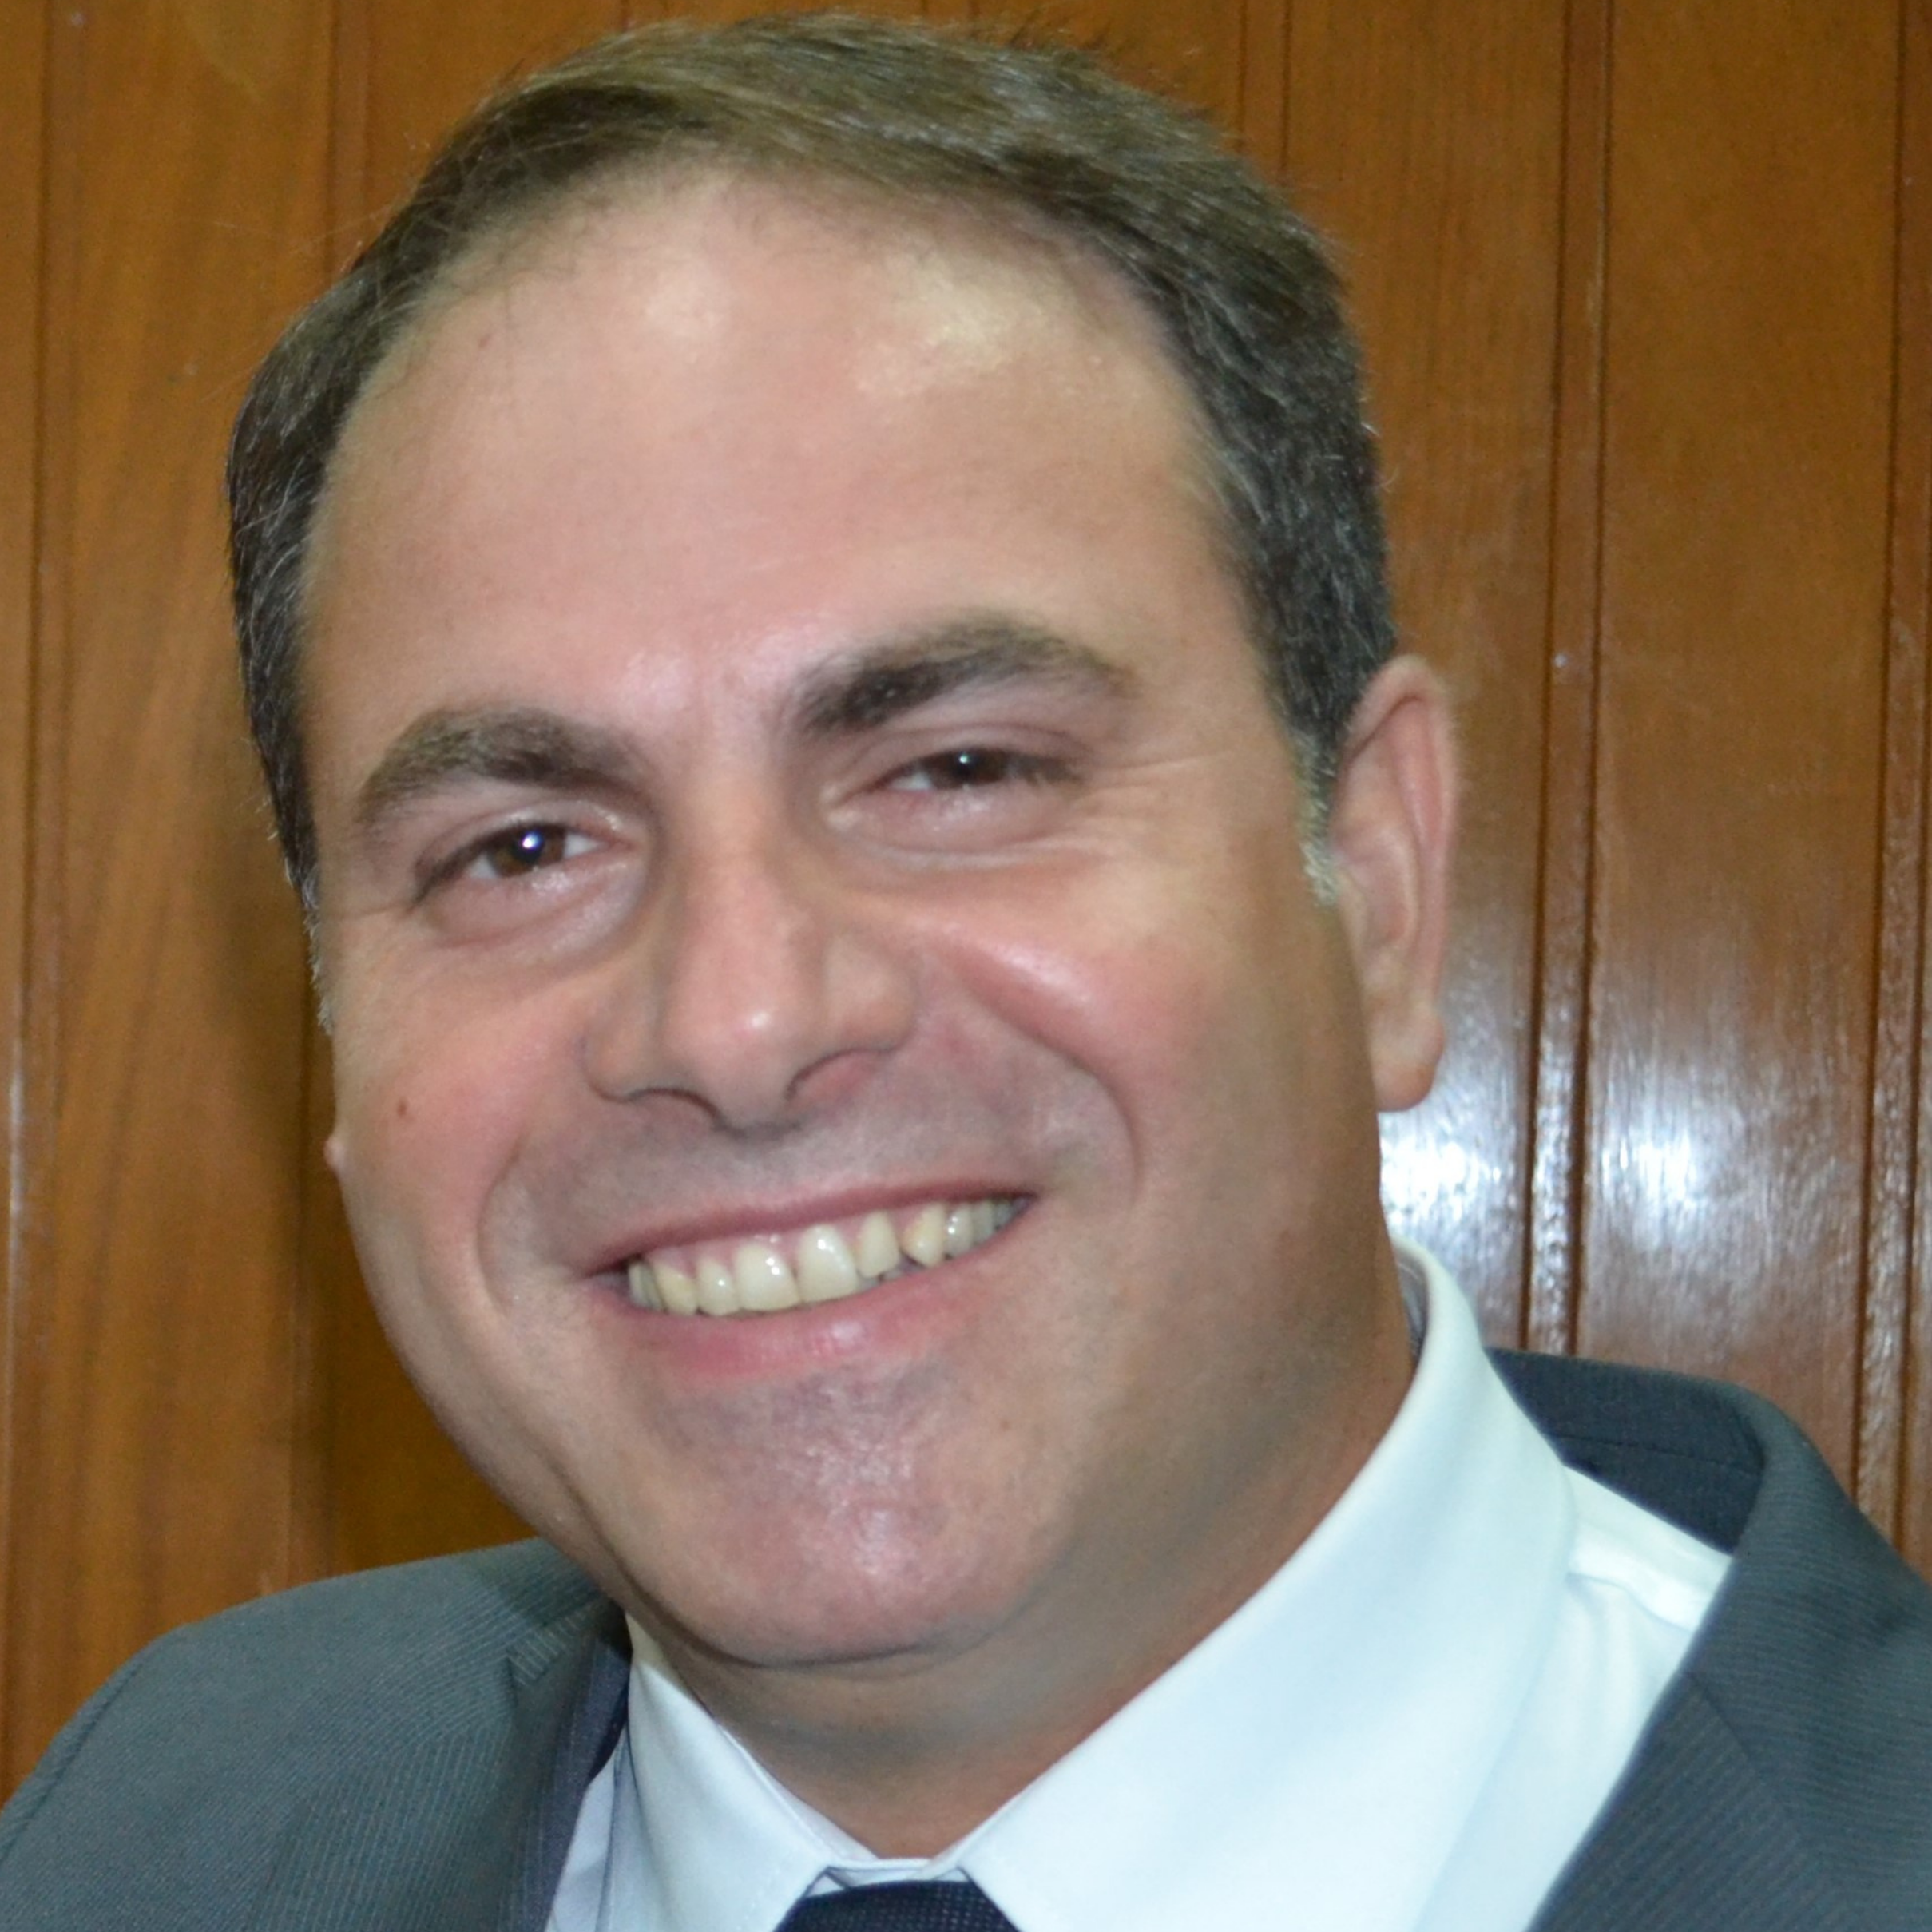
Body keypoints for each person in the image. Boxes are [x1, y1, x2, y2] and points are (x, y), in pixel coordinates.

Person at [2, 13, 1928, 1930]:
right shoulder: (149, 1845)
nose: (740, 1024)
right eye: (523, 848)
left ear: (1381, 886)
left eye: (958, 771)